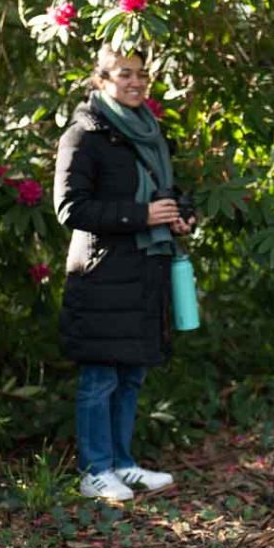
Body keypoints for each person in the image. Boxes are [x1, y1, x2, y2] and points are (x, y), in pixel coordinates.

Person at [54, 45, 194, 501]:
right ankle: (94, 470)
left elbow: (169, 192)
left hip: (146, 270)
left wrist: (180, 216)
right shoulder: (84, 134)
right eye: (123, 74)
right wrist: (142, 215)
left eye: (141, 74)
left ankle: (123, 464)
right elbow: (70, 207)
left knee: (132, 374)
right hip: (101, 273)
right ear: (101, 81)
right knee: (100, 378)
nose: (135, 82)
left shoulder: (151, 131)